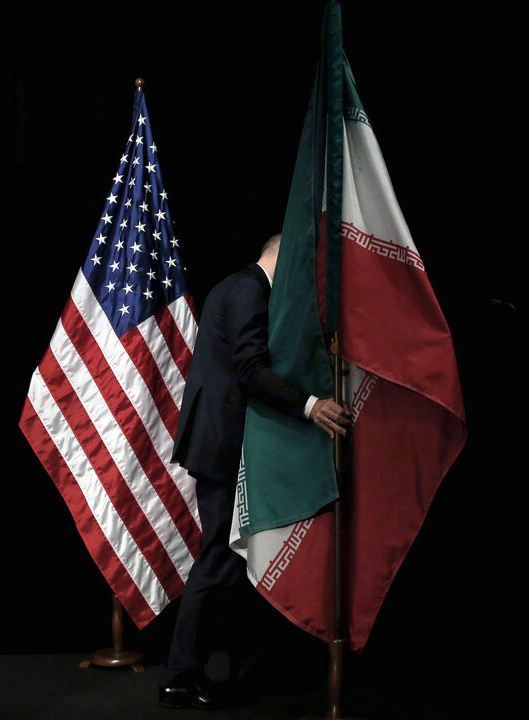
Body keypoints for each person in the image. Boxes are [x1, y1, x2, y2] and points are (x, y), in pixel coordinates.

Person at [158, 233, 352, 710]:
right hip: (223, 446)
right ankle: (180, 676)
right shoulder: (248, 289)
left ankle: (234, 668)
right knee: (220, 561)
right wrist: (310, 405)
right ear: (280, 259)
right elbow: (250, 369)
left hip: (227, 444)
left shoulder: (238, 287)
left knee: (232, 563)